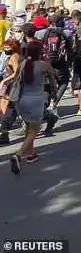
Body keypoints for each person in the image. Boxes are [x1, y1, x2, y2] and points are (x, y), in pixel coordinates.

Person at [2, 38, 56, 173]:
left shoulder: (23, 63)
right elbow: (53, 83)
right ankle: (19, 155)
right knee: (35, 130)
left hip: (21, 101)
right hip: (35, 100)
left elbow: (16, 79)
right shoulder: (44, 65)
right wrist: (54, 94)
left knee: (29, 127)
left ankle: (31, 154)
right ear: (40, 52)